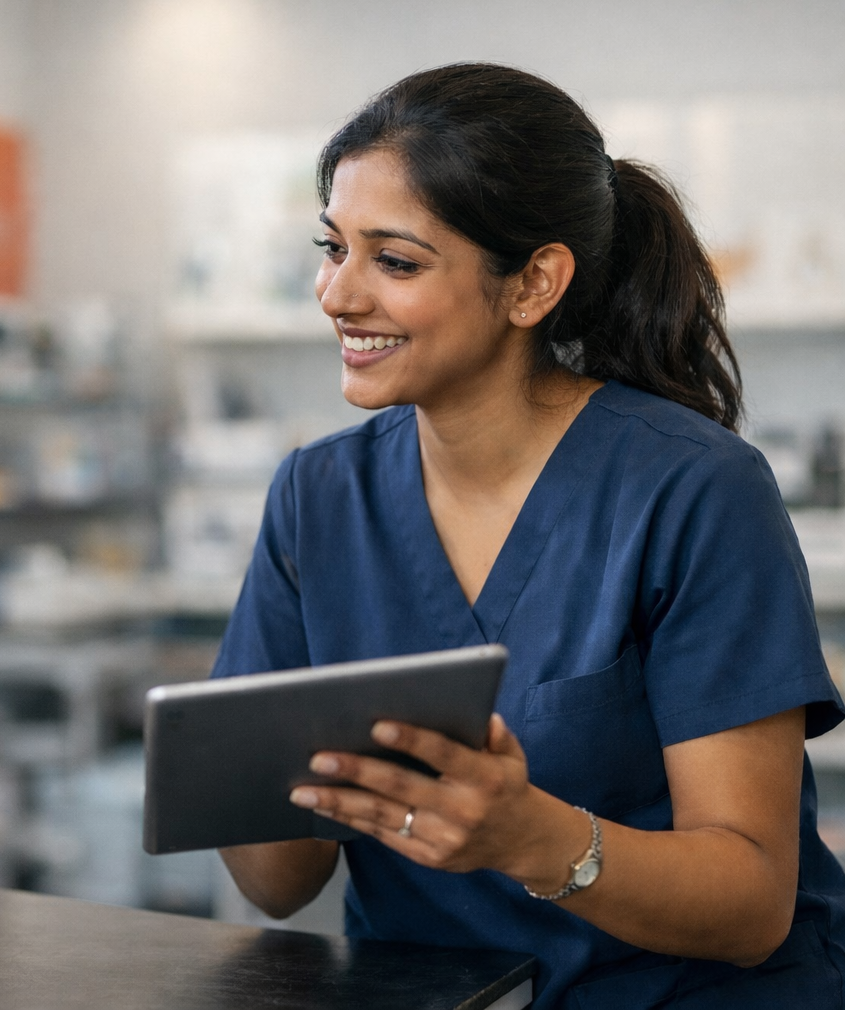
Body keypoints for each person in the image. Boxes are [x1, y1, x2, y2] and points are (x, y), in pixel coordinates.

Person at [214, 64, 845, 1009]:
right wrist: (241, 770)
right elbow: (276, 883)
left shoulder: (691, 489)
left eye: (395, 261)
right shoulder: (320, 495)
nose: (337, 294)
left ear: (534, 284)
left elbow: (751, 903)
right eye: (332, 246)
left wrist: (529, 837)